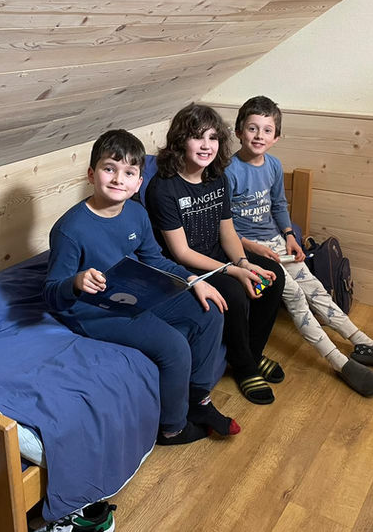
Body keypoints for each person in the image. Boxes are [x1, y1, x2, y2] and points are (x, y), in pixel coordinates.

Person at [43, 129, 239, 445]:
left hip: (132, 290)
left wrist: (193, 281)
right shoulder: (69, 229)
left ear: (138, 183)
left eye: (128, 173)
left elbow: (155, 259)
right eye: (109, 169)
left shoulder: (136, 213)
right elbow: (52, 293)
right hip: (91, 309)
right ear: (91, 174)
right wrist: (76, 282)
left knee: (210, 311)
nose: (118, 179)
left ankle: (198, 400)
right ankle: (173, 428)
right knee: (174, 346)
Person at [225, 96, 373, 397]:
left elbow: (279, 204)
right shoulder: (229, 171)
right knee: (296, 297)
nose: (259, 136)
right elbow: (225, 226)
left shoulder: (273, 166)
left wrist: (289, 234)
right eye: (252, 128)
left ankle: (361, 341)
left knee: (315, 289)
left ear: (276, 137)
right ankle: (338, 361)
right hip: (249, 249)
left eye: (267, 130)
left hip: (276, 242)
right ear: (238, 132)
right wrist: (253, 249)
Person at [145, 103, 286, 406]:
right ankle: (245, 368)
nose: (206, 145)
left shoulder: (217, 177)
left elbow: (228, 232)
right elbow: (181, 252)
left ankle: (253, 353)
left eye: (212, 138)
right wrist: (234, 271)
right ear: (180, 141)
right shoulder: (163, 188)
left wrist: (244, 263)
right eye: (197, 137)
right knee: (234, 293)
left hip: (217, 254)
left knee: (273, 277)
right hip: (184, 267)